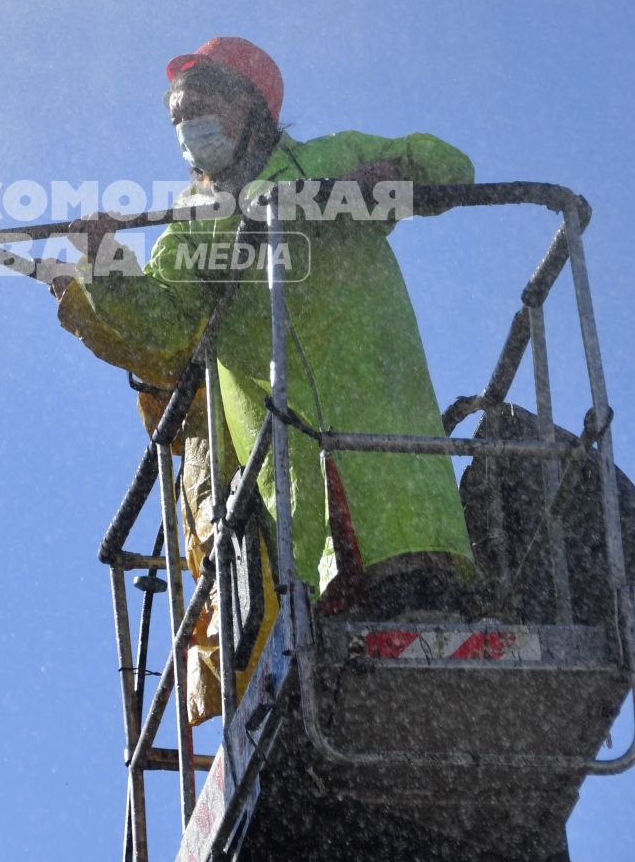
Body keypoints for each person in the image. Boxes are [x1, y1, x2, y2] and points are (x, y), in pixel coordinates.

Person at [54, 36, 474, 621]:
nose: (189, 130)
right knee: (321, 604)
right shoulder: (191, 224)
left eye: (200, 110)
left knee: (410, 563)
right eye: (179, 118)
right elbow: (163, 324)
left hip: (385, 437)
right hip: (290, 480)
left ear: (249, 105)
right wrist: (104, 262)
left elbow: (453, 168)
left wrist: (395, 173)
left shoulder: (329, 161)